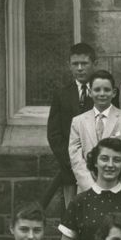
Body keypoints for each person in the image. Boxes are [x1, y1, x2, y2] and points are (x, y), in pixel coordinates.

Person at [68, 70, 121, 193]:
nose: (102, 94)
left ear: (114, 92)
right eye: (97, 90)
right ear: (90, 92)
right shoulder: (78, 121)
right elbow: (76, 158)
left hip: (119, 187)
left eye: (106, 90)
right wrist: (92, 188)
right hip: (87, 188)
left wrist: (114, 186)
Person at [46, 42, 96, 206]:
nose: (80, 68)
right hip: (70, 169)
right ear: (69, 66)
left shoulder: (103, 92)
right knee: (72, 212)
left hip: (98, 168)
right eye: (75, 64)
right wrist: (71, 161)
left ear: (93, 64)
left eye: (84, 63)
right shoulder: (62, 95)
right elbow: (54, 134)